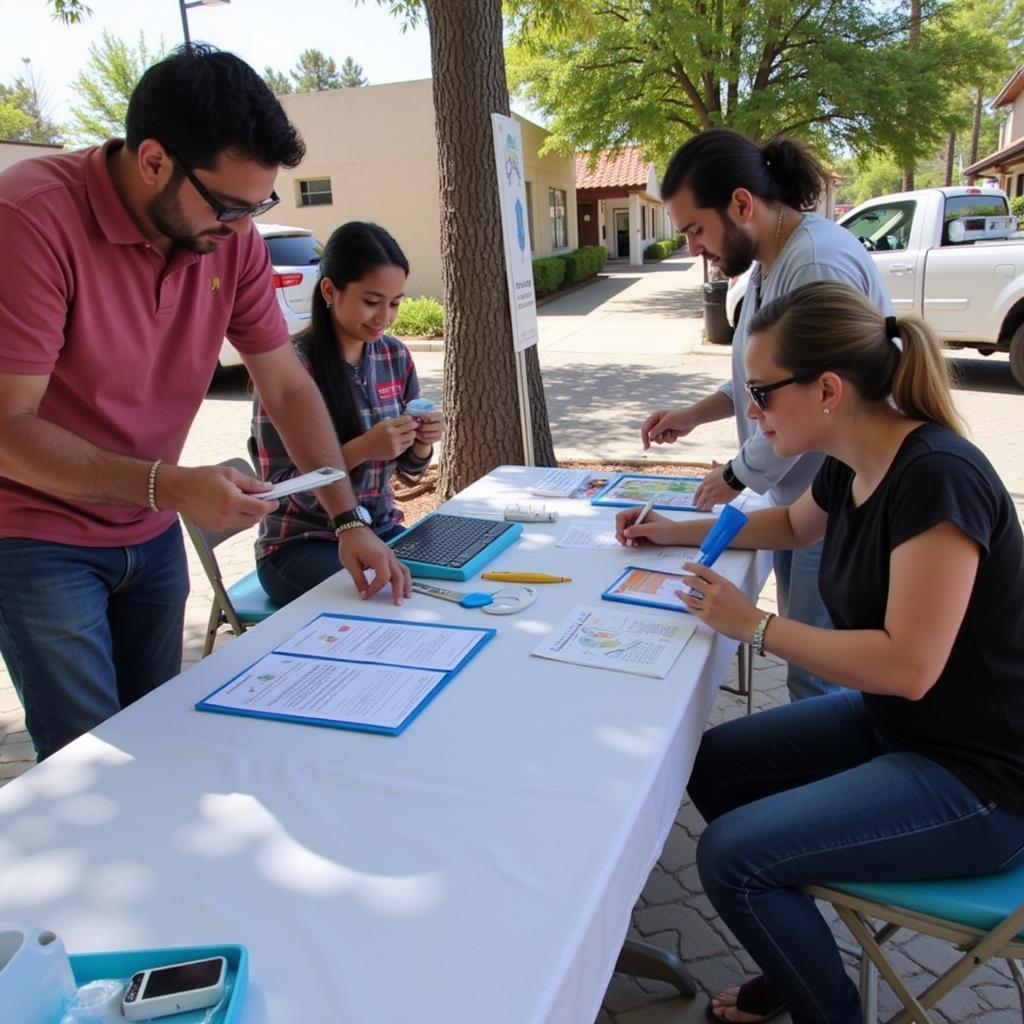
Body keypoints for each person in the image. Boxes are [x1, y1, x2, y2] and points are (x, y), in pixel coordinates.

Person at [617, 281, 1024, 1024]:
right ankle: (793, 952)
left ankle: (824, 1008)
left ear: (828, 389)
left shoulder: (937, 477)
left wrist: (756, 627)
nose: (753, 411)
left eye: (763, 392)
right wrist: (668, 529)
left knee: (733, 858)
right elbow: (795, 528)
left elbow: (910, 665)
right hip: (904, 730)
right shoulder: (854, 457)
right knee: (710, 765)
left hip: (983, 781)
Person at [0, 46, 411, 762]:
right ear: (154, 160)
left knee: (156, 735)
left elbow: (285, 385)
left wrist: (346, 518)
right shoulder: (30, 218)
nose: (242, 227)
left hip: (147, 521)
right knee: (86, 758)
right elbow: (7, 427)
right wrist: (166, 485)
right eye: (228, 206)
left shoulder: (234, 240)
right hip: (37, 534)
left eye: (260, 207)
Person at [640, 128, 892, 701]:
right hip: (805, 500)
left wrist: (734, 476)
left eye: (695, 230)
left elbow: (793, 400)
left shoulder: (815, 265)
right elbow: (762, 384)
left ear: (741, 204)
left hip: (828, 499)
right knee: (806, 665)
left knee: (816, 674)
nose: (694, 248)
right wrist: (696, 413)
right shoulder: (769, 263)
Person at [252, 222, 444, 605]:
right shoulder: (291, 371)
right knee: (392, 600)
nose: (384, 317)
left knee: (449, 586)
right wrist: (362, 449)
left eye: (395, 302)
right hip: (301, 545)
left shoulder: (395, 356)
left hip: (382, 531)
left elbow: (410, 473)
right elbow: (279, 491)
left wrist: (421, 444)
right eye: (371, 301)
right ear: (329, 290)